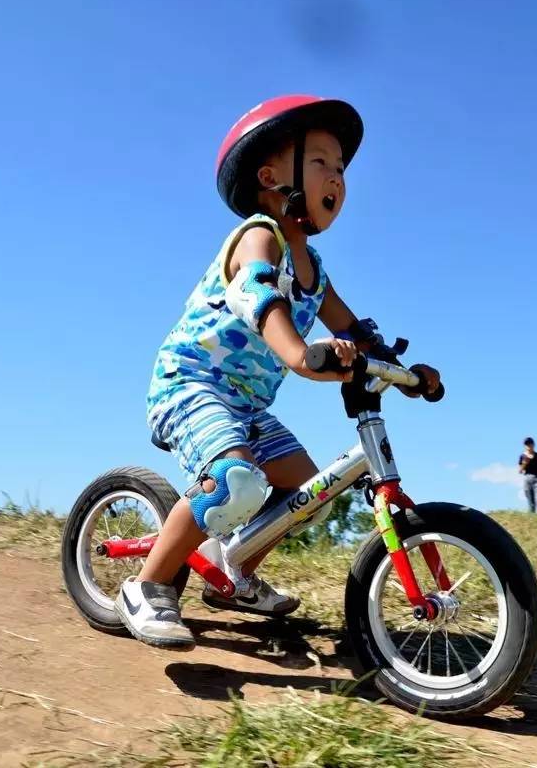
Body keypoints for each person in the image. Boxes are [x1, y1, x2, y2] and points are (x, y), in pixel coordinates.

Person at [121, 95, 442, 650]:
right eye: (321, 162)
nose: (336, 178)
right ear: (272, 176)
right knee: (234, 483)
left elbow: (356, 329)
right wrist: (299, 352)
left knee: (304, 491)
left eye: (341, 168)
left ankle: (233, 570)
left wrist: (403, 369)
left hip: (246, 405)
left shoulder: (315, 270)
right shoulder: (259, 235)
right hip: (192, 382)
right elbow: (255, 291)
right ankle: (148, 586)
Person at [518, 436, 537, 514]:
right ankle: (532, 515)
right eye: (526, 444)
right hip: (527, 478)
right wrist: (524, 463)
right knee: (530, 499)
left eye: (530, 444)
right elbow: (520, 471)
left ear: (533, 445)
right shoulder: (522, 456)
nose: (528, 446)